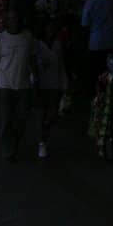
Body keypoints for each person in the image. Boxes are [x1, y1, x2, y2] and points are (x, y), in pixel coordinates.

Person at [0, 10, 38, 160]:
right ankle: (7, 148)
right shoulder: (0, 39)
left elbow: (32, 58)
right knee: (6, 120)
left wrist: (35, 79)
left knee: (22, 118)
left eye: (16, 19)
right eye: (11, 19)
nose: (14, 22)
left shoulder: (28, 37)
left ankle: (14, 143)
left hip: (23, 85)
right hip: (5, 85)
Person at [34, 18, 68, 160]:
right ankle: (42, 141)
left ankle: (44, 137)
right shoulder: (37, 45)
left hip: (54, 83)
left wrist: (65, 83)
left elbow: (62, 64)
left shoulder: (58, 44)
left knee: (52, 113)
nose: (50, 31)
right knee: (42, 113)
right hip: (41, 83)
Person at [80, 0, 113, 94]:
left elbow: (85, 25)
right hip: (111, 41)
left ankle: (98, 96)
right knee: (111, 72)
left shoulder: (90, 2)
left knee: (97, 73)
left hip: (95, 43)